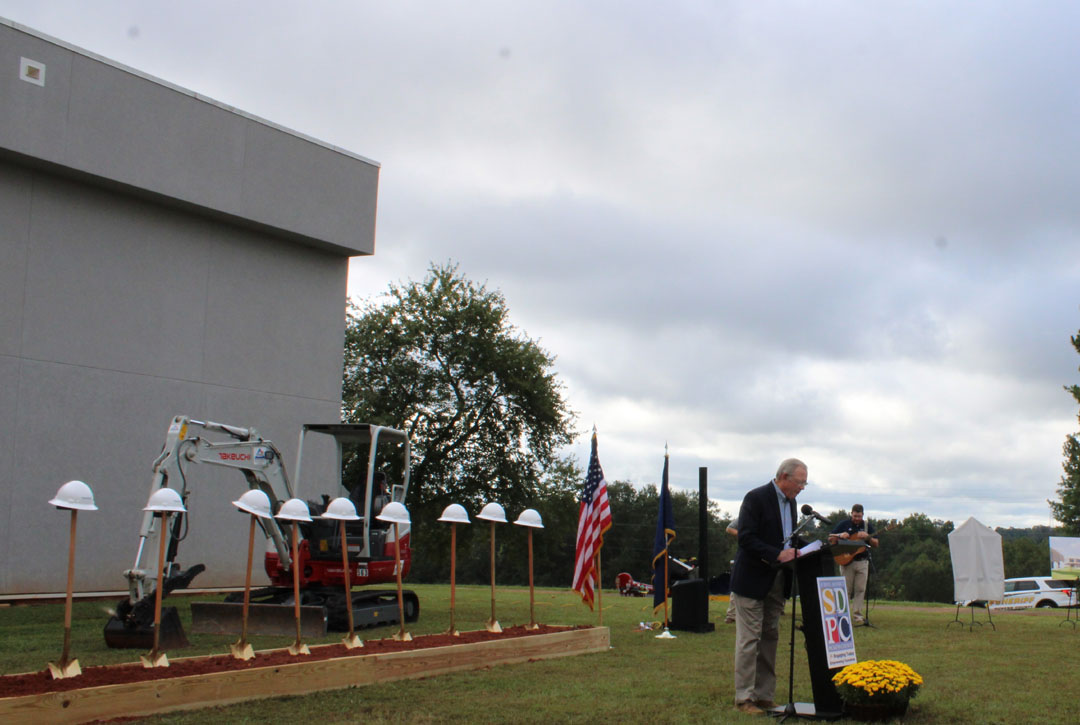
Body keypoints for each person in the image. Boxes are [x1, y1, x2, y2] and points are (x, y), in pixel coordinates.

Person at [729, 458, 808, 716]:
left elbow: (786, 536)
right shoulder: (755, 498)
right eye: (799, 482)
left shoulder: (792, 502)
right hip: (752, 578)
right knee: (749, 638)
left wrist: (814, 544)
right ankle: (744, 699)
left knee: (770, 636)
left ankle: (764, 696)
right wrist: (777, 555)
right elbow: (746, 538)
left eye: (804, 483)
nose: (801, 488)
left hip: (777, 580)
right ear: (783, 477)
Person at [828, 504, 878, 626]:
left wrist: (868, 538)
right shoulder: (844, 524)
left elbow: (876, 543)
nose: (857, 518)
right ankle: (841, 615)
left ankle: (858, 615)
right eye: (855, 516)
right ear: (851, 514)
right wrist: (840, 535)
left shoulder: (867, 526)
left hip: (863, 561)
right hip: (847, 562)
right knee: (846, 590)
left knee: (860, 589)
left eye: (859, 516)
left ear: (863, 515)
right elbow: (830, 537)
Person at [724, 517, 739, 624]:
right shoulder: (747, 514)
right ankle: (731, 615)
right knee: (738, 584)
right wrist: (744, 536)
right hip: (747, 554)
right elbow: (729, 528)